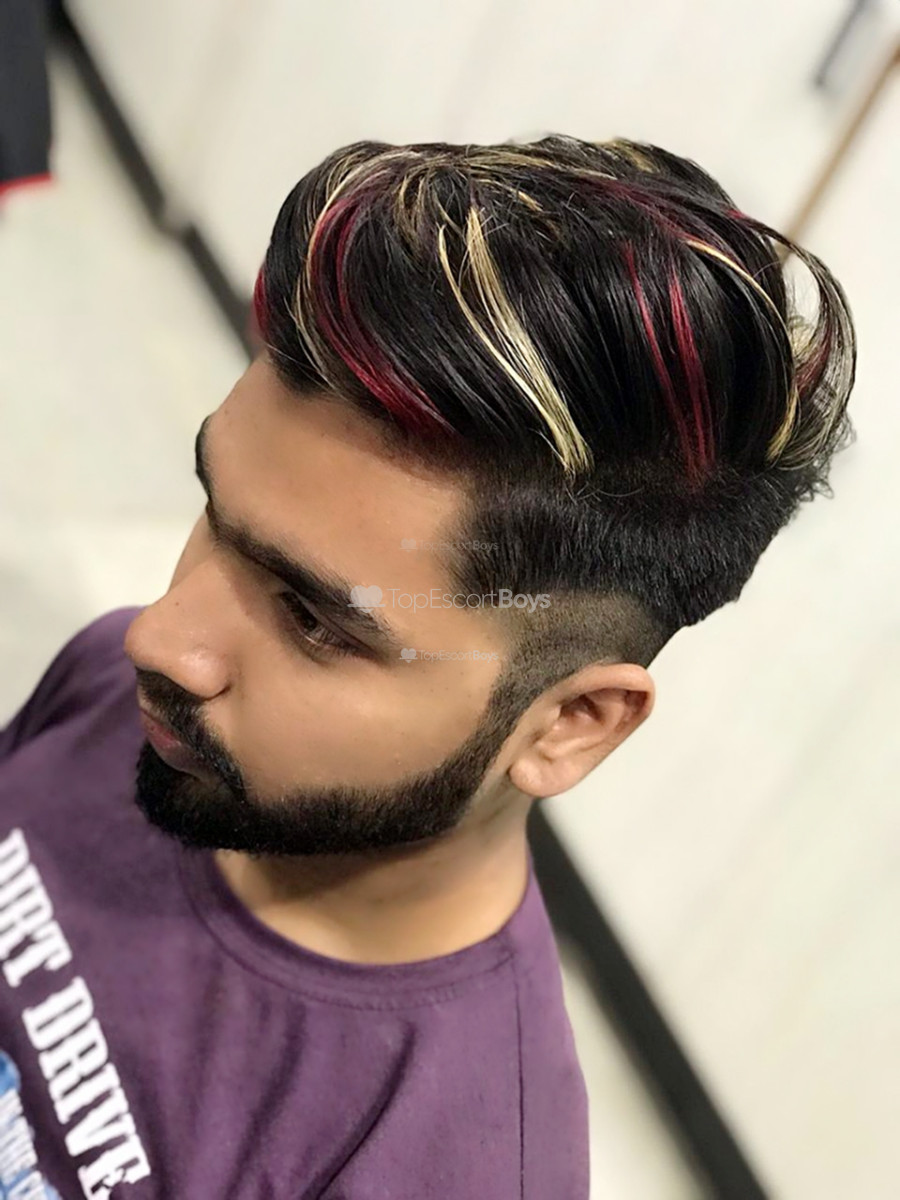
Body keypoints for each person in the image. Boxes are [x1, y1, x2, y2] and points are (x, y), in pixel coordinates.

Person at [0, 135, 855, 1199]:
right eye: (215, 511)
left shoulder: (443, 1164)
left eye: (314, 621)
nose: (158, 638)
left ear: (571, 724)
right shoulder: (130, 699)